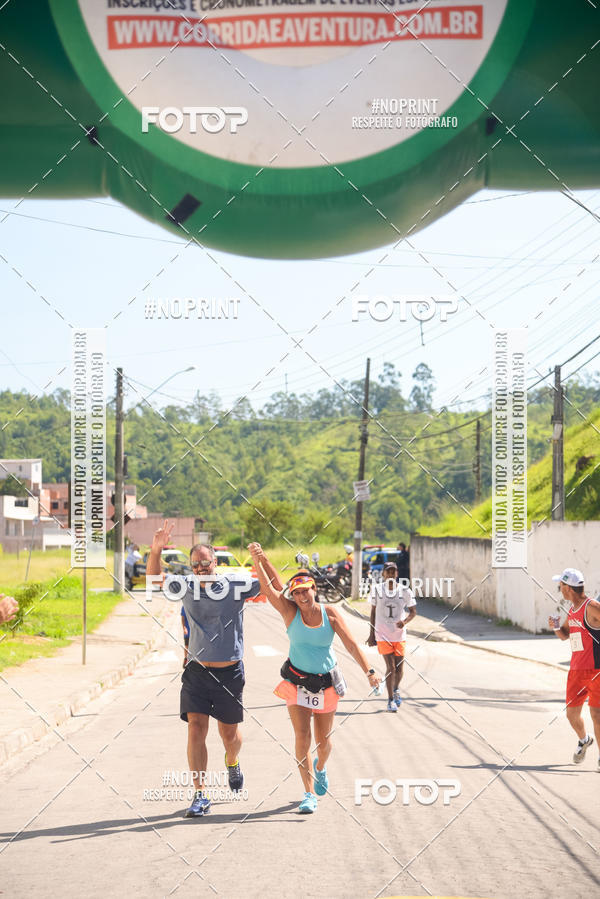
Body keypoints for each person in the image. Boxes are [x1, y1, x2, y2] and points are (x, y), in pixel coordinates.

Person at [248, 542, 380, 815]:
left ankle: (320, 767)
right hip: (297, 684)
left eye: (305, 591)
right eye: (296, 593)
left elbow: (351, 645)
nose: (301, 597)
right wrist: (257, 558)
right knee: (302, 736)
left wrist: (369, 672)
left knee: (324, 741)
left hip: (326, 684)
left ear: (314, 589)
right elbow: (269, 588)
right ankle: (308, 793)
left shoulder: (330, 614)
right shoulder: (290, 612)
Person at [147, 520, 260, 817]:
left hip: (229, 673)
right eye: (195, 564)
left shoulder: (234, 585)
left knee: (229, 736)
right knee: (196, 729)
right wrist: (156, 549)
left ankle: (232, 762)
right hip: (197, 672)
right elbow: (154, 579)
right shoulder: (185, 585)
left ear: (215, 562)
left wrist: (260, 559)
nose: (200, 568)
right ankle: (200, 794)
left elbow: (267, 586)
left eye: (205, 563)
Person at [549, 567, 600, 769]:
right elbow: (564, 635)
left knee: (596, 714)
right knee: (571, 714)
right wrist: (555, 626)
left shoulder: (591, 607)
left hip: (596, 670)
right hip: (576, 671)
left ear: (568, 588)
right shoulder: (572, 610)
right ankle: (584, 739)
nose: (559, 589)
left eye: (560, 585)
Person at [368, 561, 416, 711]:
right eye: (388, 571)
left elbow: (413, 611)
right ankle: (390, 701)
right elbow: (373, 612)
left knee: (399, 668)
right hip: (382, 634)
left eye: (393, 571)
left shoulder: (405, 591)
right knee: (391, 668)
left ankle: (395, 690)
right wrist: (371, 634)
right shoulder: (376, 589)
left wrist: (405, 621)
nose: (390, 574)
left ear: (397, 574)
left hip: (399, 636)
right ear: (383, 574)